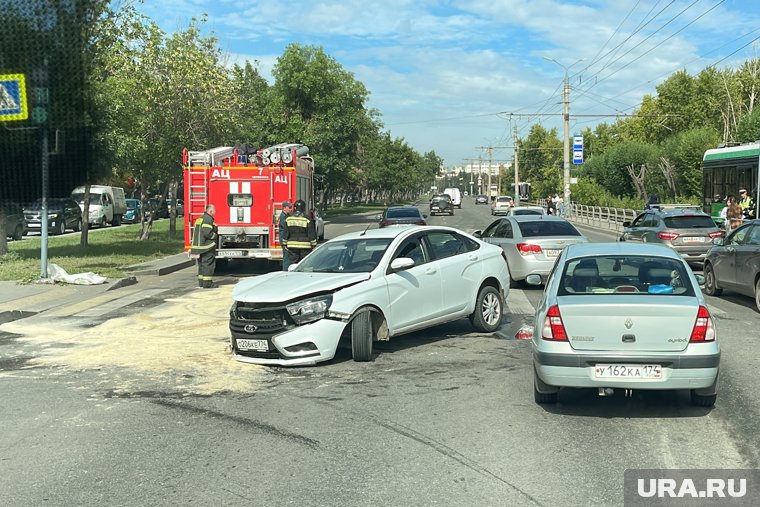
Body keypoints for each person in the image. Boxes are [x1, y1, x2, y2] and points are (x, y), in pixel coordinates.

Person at [189, 204, 218, 288]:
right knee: (208, 264)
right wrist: (215, 236)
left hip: (199, 247)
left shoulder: (201, 218)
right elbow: (207, 232)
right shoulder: (208, 219)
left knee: (202, 264)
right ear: (211, 211)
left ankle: (201, 282)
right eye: (214, 210)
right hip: (207, 246)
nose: (215, 212)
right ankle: (207, 283)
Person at [281, 199, 317, 267]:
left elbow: (285, 233)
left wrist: (284, 244)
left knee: (293, 265)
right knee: (305, 264)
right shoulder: (307, 219)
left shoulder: (288, 219)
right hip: (305, 247)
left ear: (295, 207)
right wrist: (313, 244)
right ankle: (305, 276)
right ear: (303, 208)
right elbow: (311, 233)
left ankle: (293, 276)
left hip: (292, 246)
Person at [279, 201, 294, 271]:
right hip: (284, 239)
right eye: (289, 207)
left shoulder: (286, 216)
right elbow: (286, 227)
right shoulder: (283, 216)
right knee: (286, 258)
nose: (291, 209)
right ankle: (285, 271)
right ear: (284, 208)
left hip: (287, 239)